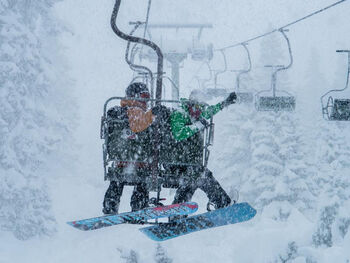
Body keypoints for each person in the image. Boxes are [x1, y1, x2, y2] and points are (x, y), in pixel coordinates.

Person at [163, 89, 238, 210]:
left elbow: (211, 110)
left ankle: (178, 211)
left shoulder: (197, 115)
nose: (200, 110)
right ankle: (221, 202)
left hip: (189, 163)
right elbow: (178, 134)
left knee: (192, 181)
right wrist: (197, 126)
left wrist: (225, 103)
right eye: (198, 106)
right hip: (176, 161)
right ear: (191, 103)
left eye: (201, 107)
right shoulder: (180, 114)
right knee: (200, 175)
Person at [102, 82, 159, 214]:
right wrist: (153, 114)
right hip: (138, 160)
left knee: (117, 184)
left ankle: (110, 207)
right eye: (144, 97)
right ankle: (139, 208)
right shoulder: (134, 110)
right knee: (142, 183)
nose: (146, 101)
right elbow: (137, 126)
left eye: (148, 98)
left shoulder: (121, 112)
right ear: (135, 97)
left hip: (122, 160)